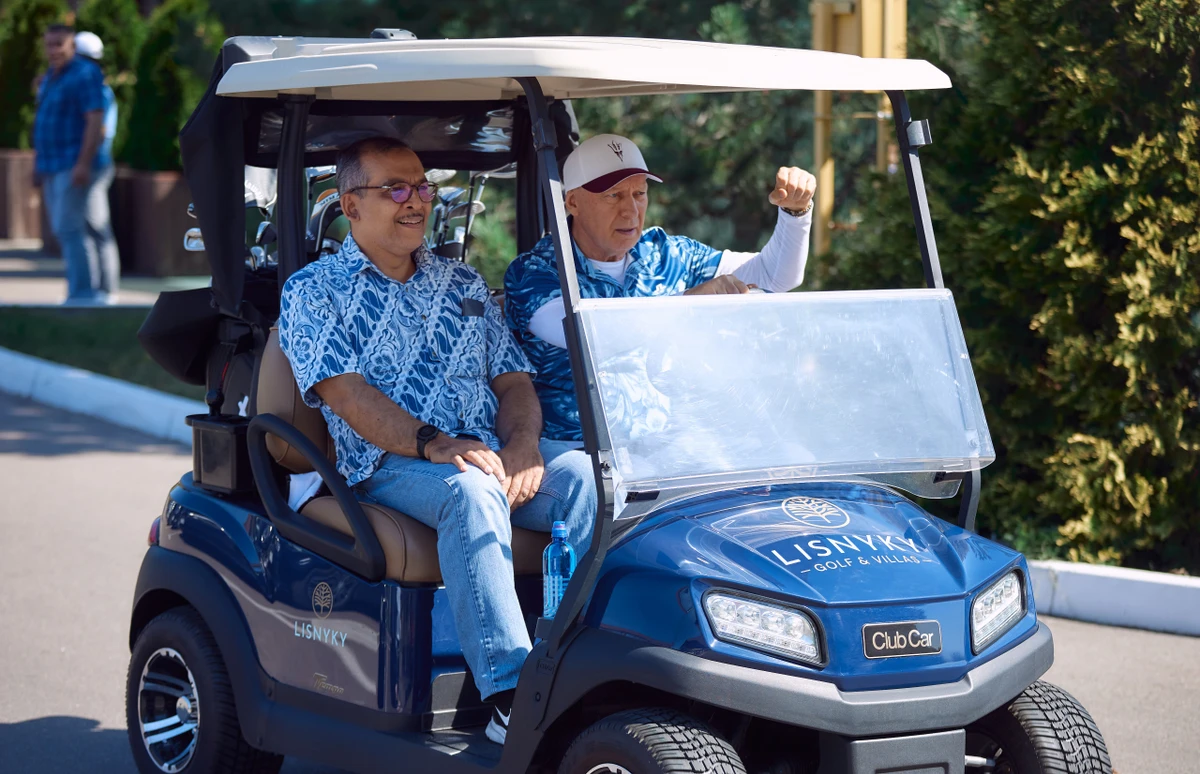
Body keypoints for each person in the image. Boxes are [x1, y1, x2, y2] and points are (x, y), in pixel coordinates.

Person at [277, 136, 595, 745]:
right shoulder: (313, 291)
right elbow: (347, 396)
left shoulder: (463, 282)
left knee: (584, 478)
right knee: (472, 495)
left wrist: (525, 445)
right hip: (391, 464)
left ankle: (572, 661)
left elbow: (514, 381)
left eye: (422, 186)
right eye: (395, 189)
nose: (416, 201)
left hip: (482, 450)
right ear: (350, 204)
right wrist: (434, 444)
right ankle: (511, 694)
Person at [504, 133, 817, 442]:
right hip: (579, 450)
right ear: (573, 201)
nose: (630, 211)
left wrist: (794, 214)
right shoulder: (535, 271)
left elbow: (775, 277)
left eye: (639, 194)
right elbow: (592, 335)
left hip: (668, 443)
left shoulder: (666, 252)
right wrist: (689, 302)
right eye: (613, 196)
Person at [33, 25, 120, 306]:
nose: (54, 50)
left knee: (72, 228)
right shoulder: (52, 76)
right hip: (54, 164)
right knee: (81, 227)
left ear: (73, 46)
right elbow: (45, 121)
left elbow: (96, 123)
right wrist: (39, 164)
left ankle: (84, 294)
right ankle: (97, 292)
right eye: (49, 44)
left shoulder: (84, 74)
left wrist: (82, 164)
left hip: (76, 165)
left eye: (60, 44)